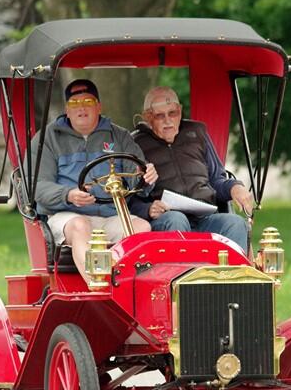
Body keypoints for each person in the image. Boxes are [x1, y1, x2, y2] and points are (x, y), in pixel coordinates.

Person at [31, 79, 157, 282]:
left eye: (88, 102)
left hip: (109, 215)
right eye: (74, 103)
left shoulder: (119, 136)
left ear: (99, 106)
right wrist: (68, 195)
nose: (81, 107)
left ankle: (125, 287)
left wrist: (146, 176)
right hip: (66, 216)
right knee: (81, 225)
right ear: (67, 109)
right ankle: (97, 284)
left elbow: (137, 180)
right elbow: (36, 186)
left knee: (142, 228)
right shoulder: (48, 138)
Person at [130, 86, 253, 251]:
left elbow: (217, 179)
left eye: (172, 113)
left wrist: (235, 187)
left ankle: (233, 276)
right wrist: (148, 209)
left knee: (236, 223)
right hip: (167, 219)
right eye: (160, 116)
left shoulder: (197, 133)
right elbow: (129, 196)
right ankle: (180, 276)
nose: (168, 121)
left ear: (180, 111)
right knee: (176, 219)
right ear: (148, 117)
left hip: (205, 216)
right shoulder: (136, 144)